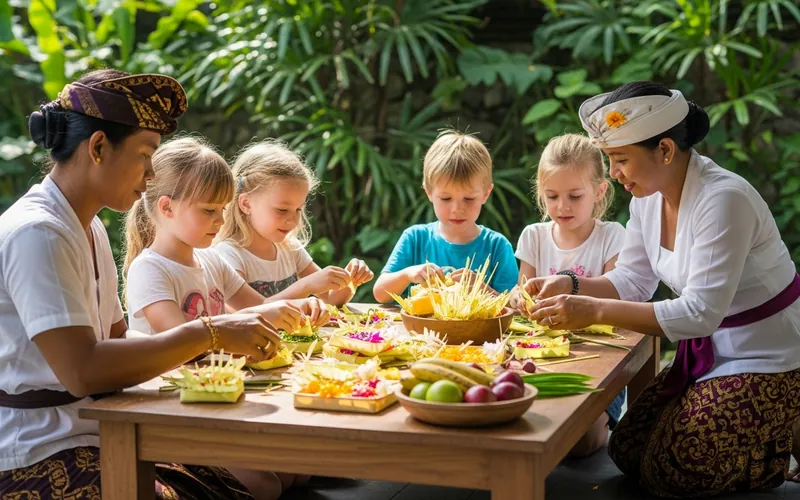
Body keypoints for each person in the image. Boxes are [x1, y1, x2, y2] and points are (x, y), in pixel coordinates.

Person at [0, 69, 283, 499]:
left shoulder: (87, 228)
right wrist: (208, 333)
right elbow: (83, 371)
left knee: (247, 488)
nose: (151, 174)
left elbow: (116, 337)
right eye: (145, 154)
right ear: (97, 147)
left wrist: (206, 360)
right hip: (38, 449)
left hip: (98, 429)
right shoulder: (38, 232)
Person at [520, 81, 800, 497]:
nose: (614, 174)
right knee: (627, 450)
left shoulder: (724, 200)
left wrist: (592, 311)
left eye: (620, 161)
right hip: (710, 351)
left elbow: (699, 314)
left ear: (665, 150)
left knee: (675, 469)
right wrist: (572, 283)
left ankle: (780, 445)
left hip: (767, 354)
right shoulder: (647, 199)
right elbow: (632, 281)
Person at [515, 133, 626, 457]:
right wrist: (519, 299)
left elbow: (619, 294)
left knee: (581, 443)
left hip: (600, 354)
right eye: (552, 196)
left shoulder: (611, 236)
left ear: (599, 190)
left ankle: (609, 420)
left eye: (575, 196)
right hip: (540, 352)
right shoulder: (534, 236)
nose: (562, 206)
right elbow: (521, 293)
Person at [214, 140, 373, 305]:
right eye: (282, 210)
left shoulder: (290, 248)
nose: (293, 219)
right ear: (246, 204)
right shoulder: (228, 255)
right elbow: (250, 312)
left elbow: (332, 298)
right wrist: (306, 286)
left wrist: (350, 279)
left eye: (298, 209)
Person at [373, 130, 518, 302]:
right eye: (446, 198)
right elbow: (380, 294)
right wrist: (408, 274)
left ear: (486, 194)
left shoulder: (497, 246)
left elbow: (513, 308)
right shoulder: (415, 238)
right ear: (429, 193)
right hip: (419, 329)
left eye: (469, 199)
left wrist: (482, 289)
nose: (457, 209)